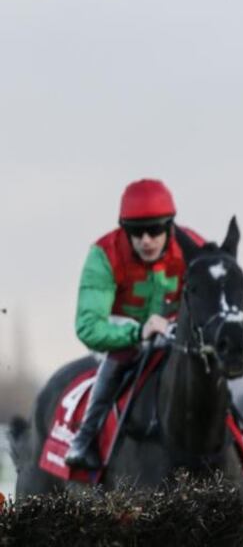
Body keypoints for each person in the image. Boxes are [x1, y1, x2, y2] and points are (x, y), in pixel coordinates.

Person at [64, 179, 205, 470]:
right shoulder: (104, 254)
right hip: (122, 331)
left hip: (174, 330)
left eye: (154, 230)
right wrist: (137, 332)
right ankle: (85, 437)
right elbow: (88, 327)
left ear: (170, 227)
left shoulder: (194, 248)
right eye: (135, 232)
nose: (145, 240)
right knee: (124, 353)